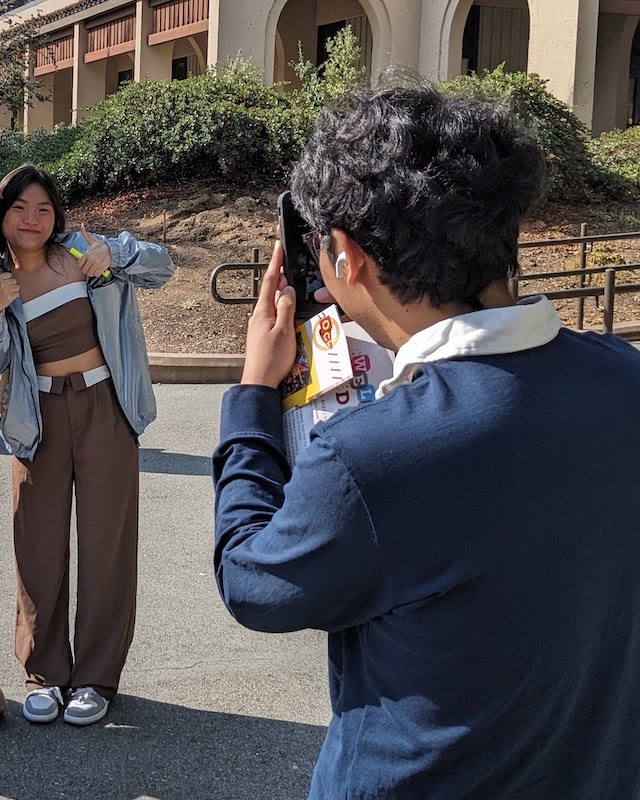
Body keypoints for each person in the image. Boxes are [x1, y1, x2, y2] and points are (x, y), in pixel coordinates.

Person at [212, 82, 640, 798]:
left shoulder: (374, 455)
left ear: (344, 256)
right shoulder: (625, 380)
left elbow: (256, 585)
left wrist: (254, 398)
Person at [0, 164, 173, 726]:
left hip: (104, 408)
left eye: (41, 208)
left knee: (107, 542)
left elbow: (164, 268)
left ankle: (97, 676)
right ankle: (44, 671)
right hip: (38, 418)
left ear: (55, 214)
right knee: (36, 542)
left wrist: (119, 254)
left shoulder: (85, 250)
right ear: (1, 216)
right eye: (18, 208)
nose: (31, 219)